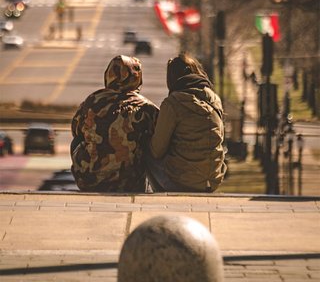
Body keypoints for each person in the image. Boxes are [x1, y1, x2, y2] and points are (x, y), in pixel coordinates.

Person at [70, 55, 159, 192]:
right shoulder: (147, 107)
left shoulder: (92, 100)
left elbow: (76, 130)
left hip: (88, 181)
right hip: (130, 184)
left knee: (77, 142)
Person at [146, 53, 227, 192]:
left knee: (147, 153)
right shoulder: (215, 99)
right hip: (212, 179)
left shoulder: (173, 103)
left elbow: (157, 150)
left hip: (182, 181)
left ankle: (161, 194)